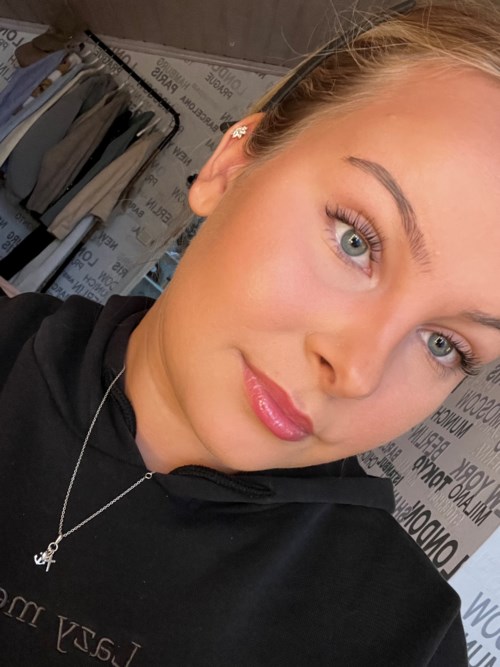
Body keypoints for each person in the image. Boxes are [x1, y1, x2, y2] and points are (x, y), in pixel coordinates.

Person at [1, 0, 500, 664]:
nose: (356, 371)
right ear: (230, 166)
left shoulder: (402, 640)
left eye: (445, 344)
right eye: (356, 240)